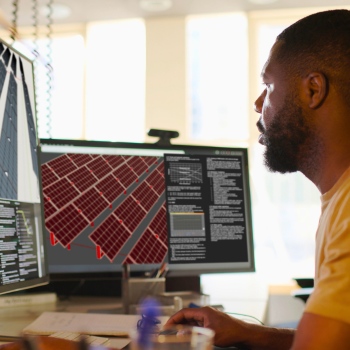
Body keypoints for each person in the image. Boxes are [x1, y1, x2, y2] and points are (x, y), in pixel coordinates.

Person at [165, 9, 350, 349]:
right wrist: (252, 334)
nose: (257, 103)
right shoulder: (339, 198)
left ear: (313, 90)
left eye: (268, 85)